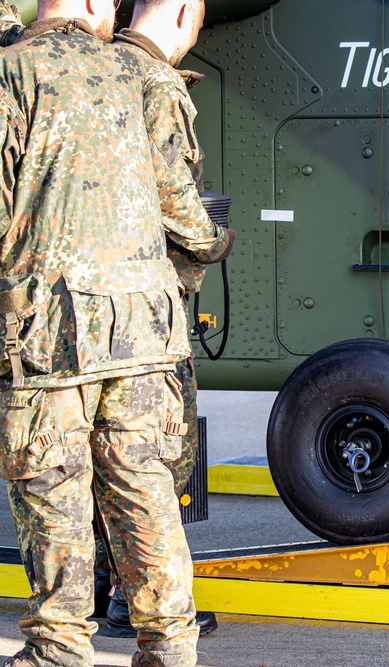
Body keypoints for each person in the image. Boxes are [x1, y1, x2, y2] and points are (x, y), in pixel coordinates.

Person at [0, 1, 228, 665]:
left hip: (49, 342)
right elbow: (180, 211)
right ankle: (171, 649)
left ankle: (61, 647)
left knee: (55, 498)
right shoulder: (139, 75)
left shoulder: (13, 74)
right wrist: (213, 242)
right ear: (98, 4)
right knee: (146, 496)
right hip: (143, 341)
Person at [100, 0, 223, 639]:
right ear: (180, 13)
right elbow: (177, 205)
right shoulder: (155, 83)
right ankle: (134, 600)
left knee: (99, 452)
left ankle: (99, 589)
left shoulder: (90, 68)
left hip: (95, 310)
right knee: (157, 456)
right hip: (150, 307)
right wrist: (215, 240)